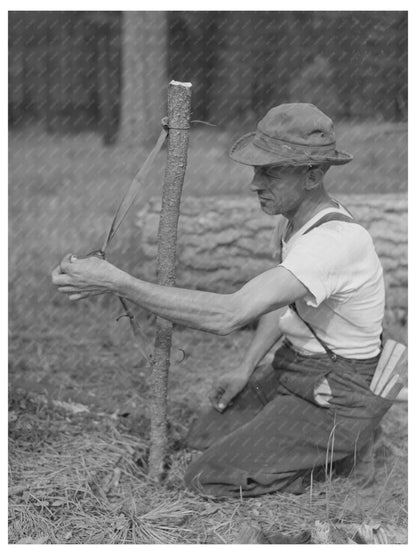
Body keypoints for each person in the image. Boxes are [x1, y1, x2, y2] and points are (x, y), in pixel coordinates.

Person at [52, 103, 392, 498]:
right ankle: (308, 438)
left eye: (271, 171)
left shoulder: (334, 243)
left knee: (209, 476)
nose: (255, 183)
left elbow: (230, 314)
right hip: (297, 368)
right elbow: (280, 304)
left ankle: (346, 450)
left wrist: (121, 283)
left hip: (339, 388)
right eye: (256, 169)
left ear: (313, 176)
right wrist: (247, 369)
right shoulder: (292, 222)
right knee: (202, 437)